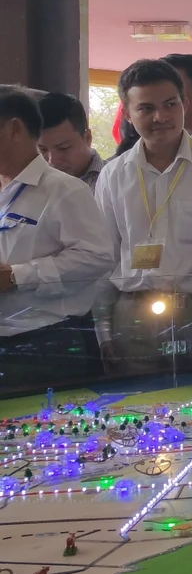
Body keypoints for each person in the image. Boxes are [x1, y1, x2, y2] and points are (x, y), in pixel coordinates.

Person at [94, 60, 192, 376]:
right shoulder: (113, 175)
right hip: (133, 311)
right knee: (136, 401)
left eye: (170, 105)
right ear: (128, 114)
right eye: (146, 108)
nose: (160, 117)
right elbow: (104, 256)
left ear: (184, 105)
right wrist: (102, 327)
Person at [0, 86, 114, 388]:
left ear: (14, 129)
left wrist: (18, 276)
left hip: (46, 343)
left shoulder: (64, 189)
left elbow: (97, 257)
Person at [37, 92, 105, 191]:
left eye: (63, 148)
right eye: (42, 150)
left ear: (87, 138)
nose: (52, 161)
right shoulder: (30, 186)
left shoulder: (116, 180)